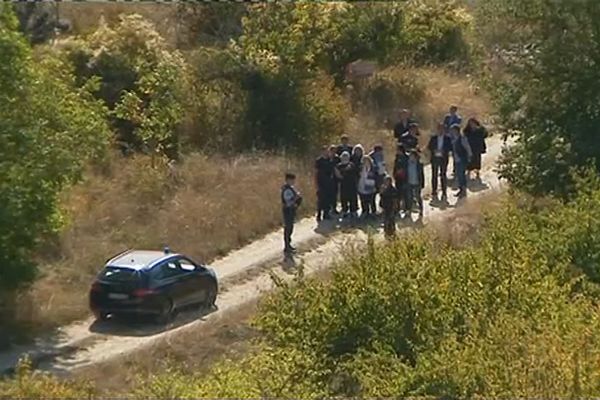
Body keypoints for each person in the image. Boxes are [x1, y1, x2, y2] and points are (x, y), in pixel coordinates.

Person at [427, 122, 453, 202]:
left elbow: (450, 148)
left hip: (443, 158)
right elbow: (429, 147)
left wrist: (443, 151)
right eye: (439, 129)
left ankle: (444, 191)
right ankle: (434, 191)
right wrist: (434, 150)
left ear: (444, 130)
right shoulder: (433, 138)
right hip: (435, 158)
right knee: (434, 175)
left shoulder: (447, 138)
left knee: (443, 175)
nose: (441, 130)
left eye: (442, 129)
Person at [281, 173, 302, 254]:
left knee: (290, 228)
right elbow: (288, 201)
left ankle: (288, 245)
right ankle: (287, 246)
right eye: (291, 180)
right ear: (287, 180)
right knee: (288, 228)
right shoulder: (286, 190)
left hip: (291, 210)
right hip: (288, 210)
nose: (293, 181)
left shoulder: (291, 188)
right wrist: (296, 198)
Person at [450, 123, 473, 198]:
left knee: (461, 174)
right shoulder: (454, 139)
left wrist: (469, 156)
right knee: (459, 175)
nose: (452, 132)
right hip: (456, 159)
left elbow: (467, 147)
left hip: (462, 159)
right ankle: (461, 189)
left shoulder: (462, 138)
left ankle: (463, 190)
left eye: (453, 130)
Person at [335, 151, 359, 218]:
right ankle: (345, 210)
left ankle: (353, 211)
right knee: (344, 199)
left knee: (353, 198)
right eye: (343, 156)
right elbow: (338, 176)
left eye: (346, 156)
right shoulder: (338, 166)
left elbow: (355, 173)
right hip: (343, 185)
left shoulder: (351, 165)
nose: (345, 158)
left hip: (352, 185)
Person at [314, 146, 335, 222]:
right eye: (324, 151)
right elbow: (316, 172)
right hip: (321, 181)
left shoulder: (330, 159)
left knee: (328, 199)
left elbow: (332, 169)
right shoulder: (319, 160)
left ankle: (326, 214)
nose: (325, 152)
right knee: (320, 199)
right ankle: (319, 214)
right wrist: (316, 183)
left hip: (329, 181)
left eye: (326, 151)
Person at [405, 149, 425, 218]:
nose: (411, 157)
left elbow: (422, 175)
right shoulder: (407, 163)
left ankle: (421, 209)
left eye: (412, 156)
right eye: (410, 156)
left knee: (418, 196)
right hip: (409, 182)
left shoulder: (419, 164)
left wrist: (422, 184)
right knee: (409, 197)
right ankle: (409, 210)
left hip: (417, 182)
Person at [368, 144, 386, 213]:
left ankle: (382, 208)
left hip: (381, 177)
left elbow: (383, 167)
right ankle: (373, 210)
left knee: (383, 194)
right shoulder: (371, 157)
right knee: (372, 195)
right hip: (373, 178)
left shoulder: (381, 156)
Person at [392, 144, 409, 213]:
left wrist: (402, 171)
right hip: (398, 178)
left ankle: (406, 208)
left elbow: (407, 167)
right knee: (398, 194)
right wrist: (395, 173)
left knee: (405, 194)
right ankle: (397, 208)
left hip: (405, 178)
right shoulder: (397, 157)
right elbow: (395, 166)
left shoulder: (406, 157)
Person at [329, 145, 341, 214]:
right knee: (329, 194)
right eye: (332, 151)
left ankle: (334, 207)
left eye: (334, 151)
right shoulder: (327, 158)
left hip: (335, 179)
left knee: (335, 194)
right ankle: (329, 208)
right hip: (328, 179)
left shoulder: (337, 158)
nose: (333, 152)